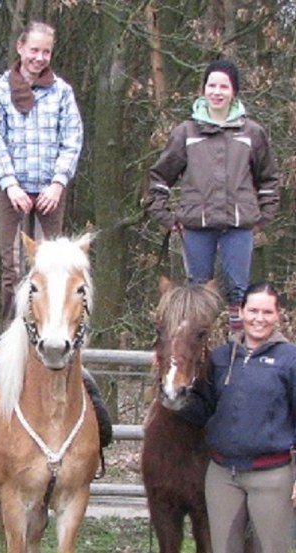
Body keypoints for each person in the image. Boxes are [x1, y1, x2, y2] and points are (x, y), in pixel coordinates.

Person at [145, 59, 279, 334]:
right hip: (196, 225)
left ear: (234, 91)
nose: (217, 92)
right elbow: (159, 177)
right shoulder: (186, 132)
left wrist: (262, 216)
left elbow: (268, 178)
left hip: (238, 226)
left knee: (238, 289)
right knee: (197, 289)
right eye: (212, 85)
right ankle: (197, 355)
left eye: (224, 86)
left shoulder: (252, 133)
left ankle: (238, 351)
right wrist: (166, 217)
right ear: (204, 89)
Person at [170, 282, 296, 553]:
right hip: (223, 475)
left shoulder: (290, 359)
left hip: (271, 475)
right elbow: (204, 408)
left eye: (266, 312)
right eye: (252, 310)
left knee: (274, 548)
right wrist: (172, 396)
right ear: (240, 312)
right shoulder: (220, 357)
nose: (259, 319)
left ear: (277, 315)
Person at [0, 21, 83, 324]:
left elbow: (72, 139)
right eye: (34, 50)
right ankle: (12, 332)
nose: (39, 57)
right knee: (12, 267)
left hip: (49, 193)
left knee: (49, 268)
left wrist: (57, 183)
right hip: (12, 190)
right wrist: (11, 186)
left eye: (46, 52)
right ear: (21, 48)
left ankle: (48, 331)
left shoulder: (62, 92)